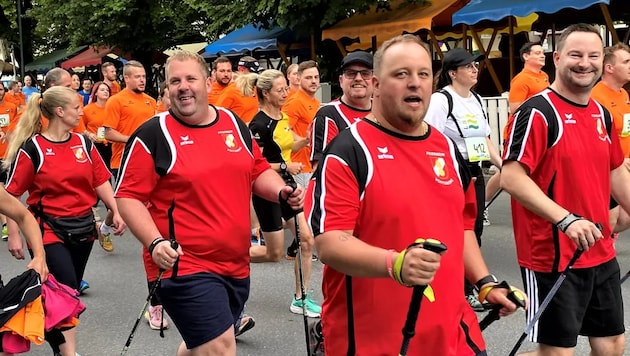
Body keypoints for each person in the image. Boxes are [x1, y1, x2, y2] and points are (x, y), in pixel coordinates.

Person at [305, 34, 522, 355]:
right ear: (377, 84)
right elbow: (330, 243)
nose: (414, 83)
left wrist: (484, 282)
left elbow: (460, 228)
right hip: (374, 337)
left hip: (451, 332)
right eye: (401, 74)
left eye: (422, 74)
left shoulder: (446, 147)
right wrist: (395, 264)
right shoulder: (349, 150)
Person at [115, 50, 304, 355]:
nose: (183, 86)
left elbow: (256, 169)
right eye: (174, 81)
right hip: (183, 263)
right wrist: (154, 242)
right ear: (166, 88)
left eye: (190, 78)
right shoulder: (153, 134)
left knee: (202, 346)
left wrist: (281, 192)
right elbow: (127, 196)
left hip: (235, 262)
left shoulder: (232, 122)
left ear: (207, 82)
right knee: (219, 347)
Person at [501, 24, 630, 356]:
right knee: (558, 352)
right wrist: (566, 220)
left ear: (602, 61)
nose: (584, 63)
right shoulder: (538, 112)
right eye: (575, 55)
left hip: (600, 249)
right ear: (557, 58)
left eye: (592, 56)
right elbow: (511, 178)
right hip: (552, 255)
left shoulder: (601, 113)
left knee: (612, 344)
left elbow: (616, 171)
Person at [3, 86, 125, 356]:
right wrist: (13, 233)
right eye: (76, 107)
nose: (82, 110)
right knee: (68, 290)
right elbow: (11, 196)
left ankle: (32, 324)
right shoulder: (33, 148)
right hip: (47, 229)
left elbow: (100, 181)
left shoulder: (84, 143)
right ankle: (67, 352)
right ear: (60, 112)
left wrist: (116, 209)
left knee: (61, 293)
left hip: (83, 227)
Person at [424, 47, 503, 311]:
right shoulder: (440, 100)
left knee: (475, 229)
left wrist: (503, 165)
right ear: (452, 73)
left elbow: (485, 139)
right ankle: (455, 288)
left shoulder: (477, 99)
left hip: (474, 172)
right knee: (453, 230)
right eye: (468, 66)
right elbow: (428, 136)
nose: (474, 69)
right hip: (448, 173)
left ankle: (471, 286)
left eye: (475, 65)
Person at [247, 69, 319, 317]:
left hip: (288, 187)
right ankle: (227, 257)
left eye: (286, 88)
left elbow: (288, 145)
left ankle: (300, 298)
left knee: (307, 240)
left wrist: (308, 139)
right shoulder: (258, 124)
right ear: (266, 93)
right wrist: (285, 166)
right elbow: (254, 163)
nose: (286, 93)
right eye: (280, 90)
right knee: (273, 253)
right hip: (267, 189)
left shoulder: (283, 117)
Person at [484, 42, 548, 225]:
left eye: (543, 52)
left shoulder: (544, 76)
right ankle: (483, 205)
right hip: (520, 132)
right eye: (537, 53)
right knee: (507, 171)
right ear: (526, 56)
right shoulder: (521, 80)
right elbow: (515, 108)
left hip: (540, 131)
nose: (542, 55)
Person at [102, 60, 156, 251]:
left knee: (151, 198)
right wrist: (133, 141)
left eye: (143, 76)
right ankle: (105, 228)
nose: (142, 80)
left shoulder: (151, 101)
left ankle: (153, 235)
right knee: (122, 202)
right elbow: (107, 133)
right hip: (122, 160)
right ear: (126, 78)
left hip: (149, 159)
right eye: (137, 77)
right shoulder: (116, 101)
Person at [309, 51, 373, 170]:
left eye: (365, 73)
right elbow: (321, 170)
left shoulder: (385, 113)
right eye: (351, 73)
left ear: (375, 81)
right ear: (341, 81)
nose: (358, 78)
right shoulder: (328, 115)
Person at [591, 43, 630, 233]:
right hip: (607, 169)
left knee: (624, 218)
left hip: (624, 167)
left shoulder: (623, 94)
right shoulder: (596, 97)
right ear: (609, 68)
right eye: (626, 61)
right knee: (611, 219)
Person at [283, 60, 320, 187]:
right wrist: (304, 141)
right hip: (299, 166)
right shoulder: (295, 102)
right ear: (299, 79)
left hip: (310, 165)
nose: (314, 81)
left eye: (316, 77)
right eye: (308, 78)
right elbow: (283, 128)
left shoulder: (315, 101)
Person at [215, 55, 261, 124]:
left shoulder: (255, 89)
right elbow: (218, 116)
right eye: (252, 72)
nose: (255, 75)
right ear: (241, 70)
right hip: (240, 131)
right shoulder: (231, 91)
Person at [0, 82, 18, 242]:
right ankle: (6, 224)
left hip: (8, 153)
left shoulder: (12, 106)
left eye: (0, 89)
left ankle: (12, 219)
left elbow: (16, 126)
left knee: (9, 189)